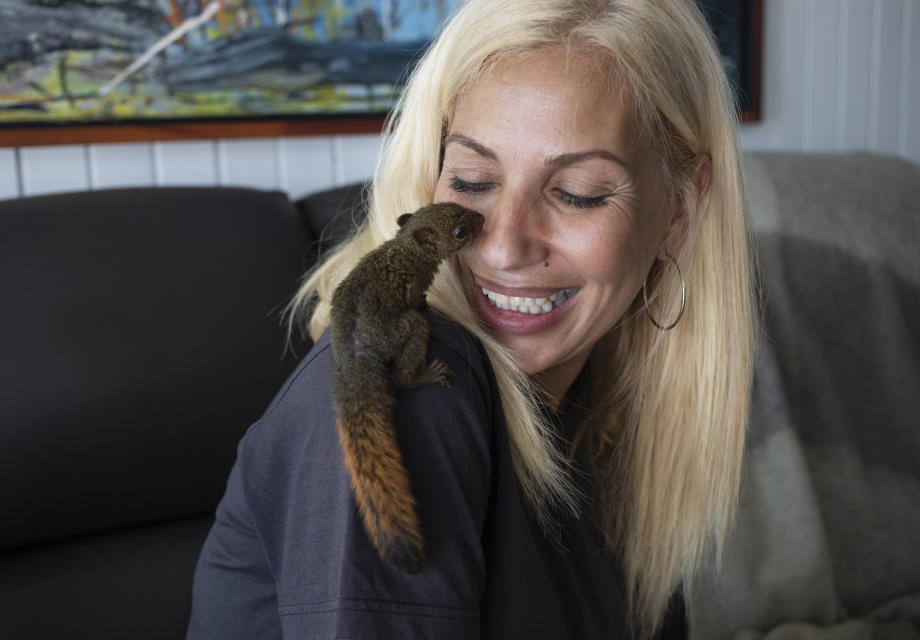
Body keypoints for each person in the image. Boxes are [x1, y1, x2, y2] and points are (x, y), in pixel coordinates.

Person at [187, 0, 755, 638]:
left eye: (578, 193)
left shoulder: (606, 412)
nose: (502, 245)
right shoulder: (421, 401)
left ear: (679, 211)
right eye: (472, 180)